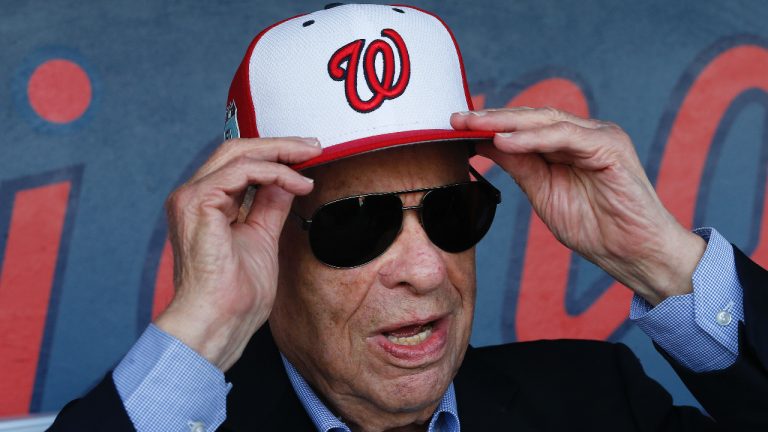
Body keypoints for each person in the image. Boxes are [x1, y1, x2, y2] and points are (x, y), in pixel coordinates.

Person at [49, 3, 767, 431]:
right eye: (354, 227)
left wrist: (661, 261)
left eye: (453, 213)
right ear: (257, 240)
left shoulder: (595, 401)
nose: (426, 270)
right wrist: (203, 329)